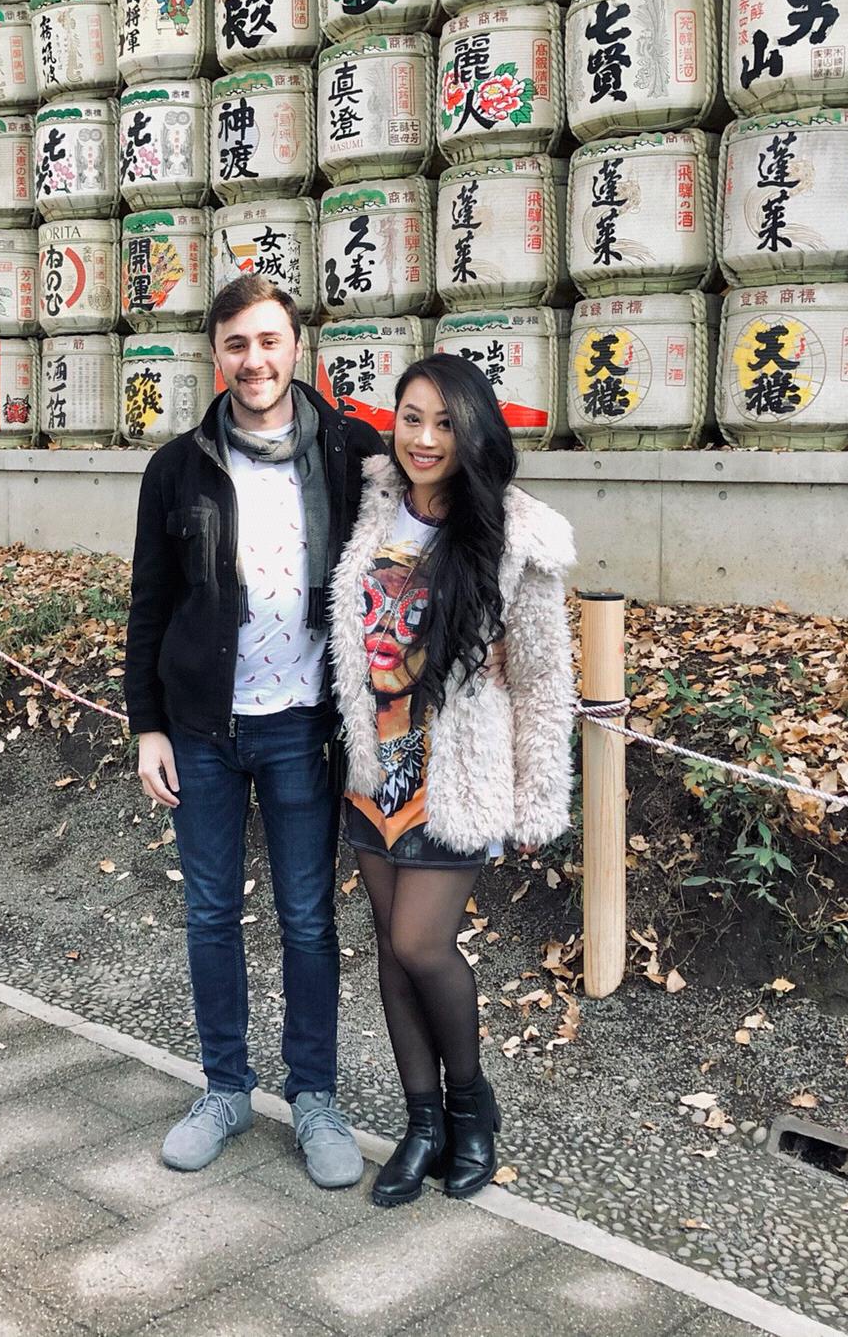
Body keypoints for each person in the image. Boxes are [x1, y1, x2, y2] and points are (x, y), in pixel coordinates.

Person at [124, 274, 386, 1187]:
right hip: (202, 729)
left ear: (296, 345)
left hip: (302, 729)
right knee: (209, 912)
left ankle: (313, 1096)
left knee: (309, 918)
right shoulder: (179, 465)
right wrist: (146, 725)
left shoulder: (352, 452)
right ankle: (225, 1088)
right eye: (237, 344)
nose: (255, 360)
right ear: (216, 354)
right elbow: (149, 607)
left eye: (269, 341)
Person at [327, 354, 576, 1206]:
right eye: (411, 418)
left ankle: (471, 1111)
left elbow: (544, 679)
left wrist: (540, 793)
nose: (425, 438)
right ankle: (421, 1122)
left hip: (456, 768)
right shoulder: (373, 505)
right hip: (374, 762)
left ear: (475, 432)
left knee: (418, 945)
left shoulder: (516, 535)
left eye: (445, 422)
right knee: (390, 958)